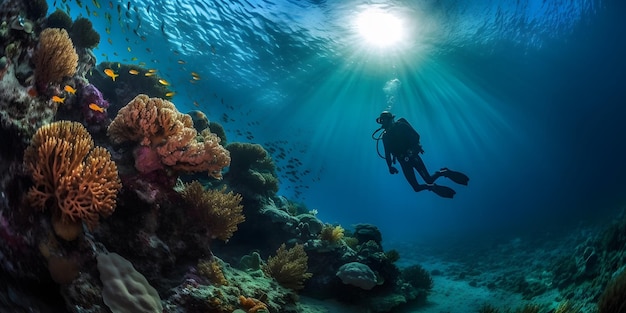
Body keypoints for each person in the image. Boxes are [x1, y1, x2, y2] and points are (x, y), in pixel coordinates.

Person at [374, 111, 469, 198]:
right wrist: (390, 167)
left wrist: (415, 148)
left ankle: (443, 172)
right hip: (403, 162)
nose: (382, 122)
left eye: (384, 120)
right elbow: (387, 153)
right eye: (381, 120)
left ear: (390, 119)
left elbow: (416, 136)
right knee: (416, 188)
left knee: (429, 179)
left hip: (413, 157)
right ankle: (432, 187)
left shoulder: (401, 126)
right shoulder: (385, 137)